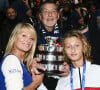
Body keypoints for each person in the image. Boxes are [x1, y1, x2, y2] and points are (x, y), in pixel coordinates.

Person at [0, 23, 44, 90]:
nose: (28, 40)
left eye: (31, 38)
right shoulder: (11, 60)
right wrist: (35, 84)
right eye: (24, 35)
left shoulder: (22, 63)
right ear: (14, 37)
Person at [36, 1, 69, 90]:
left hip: (63, 79)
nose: (50, 14)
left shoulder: (67, 33)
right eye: (46, 11)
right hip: (39, 80)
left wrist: (69, 66)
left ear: (58, 15)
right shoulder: (32, 35)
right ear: (40, 16)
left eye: (53, 11)